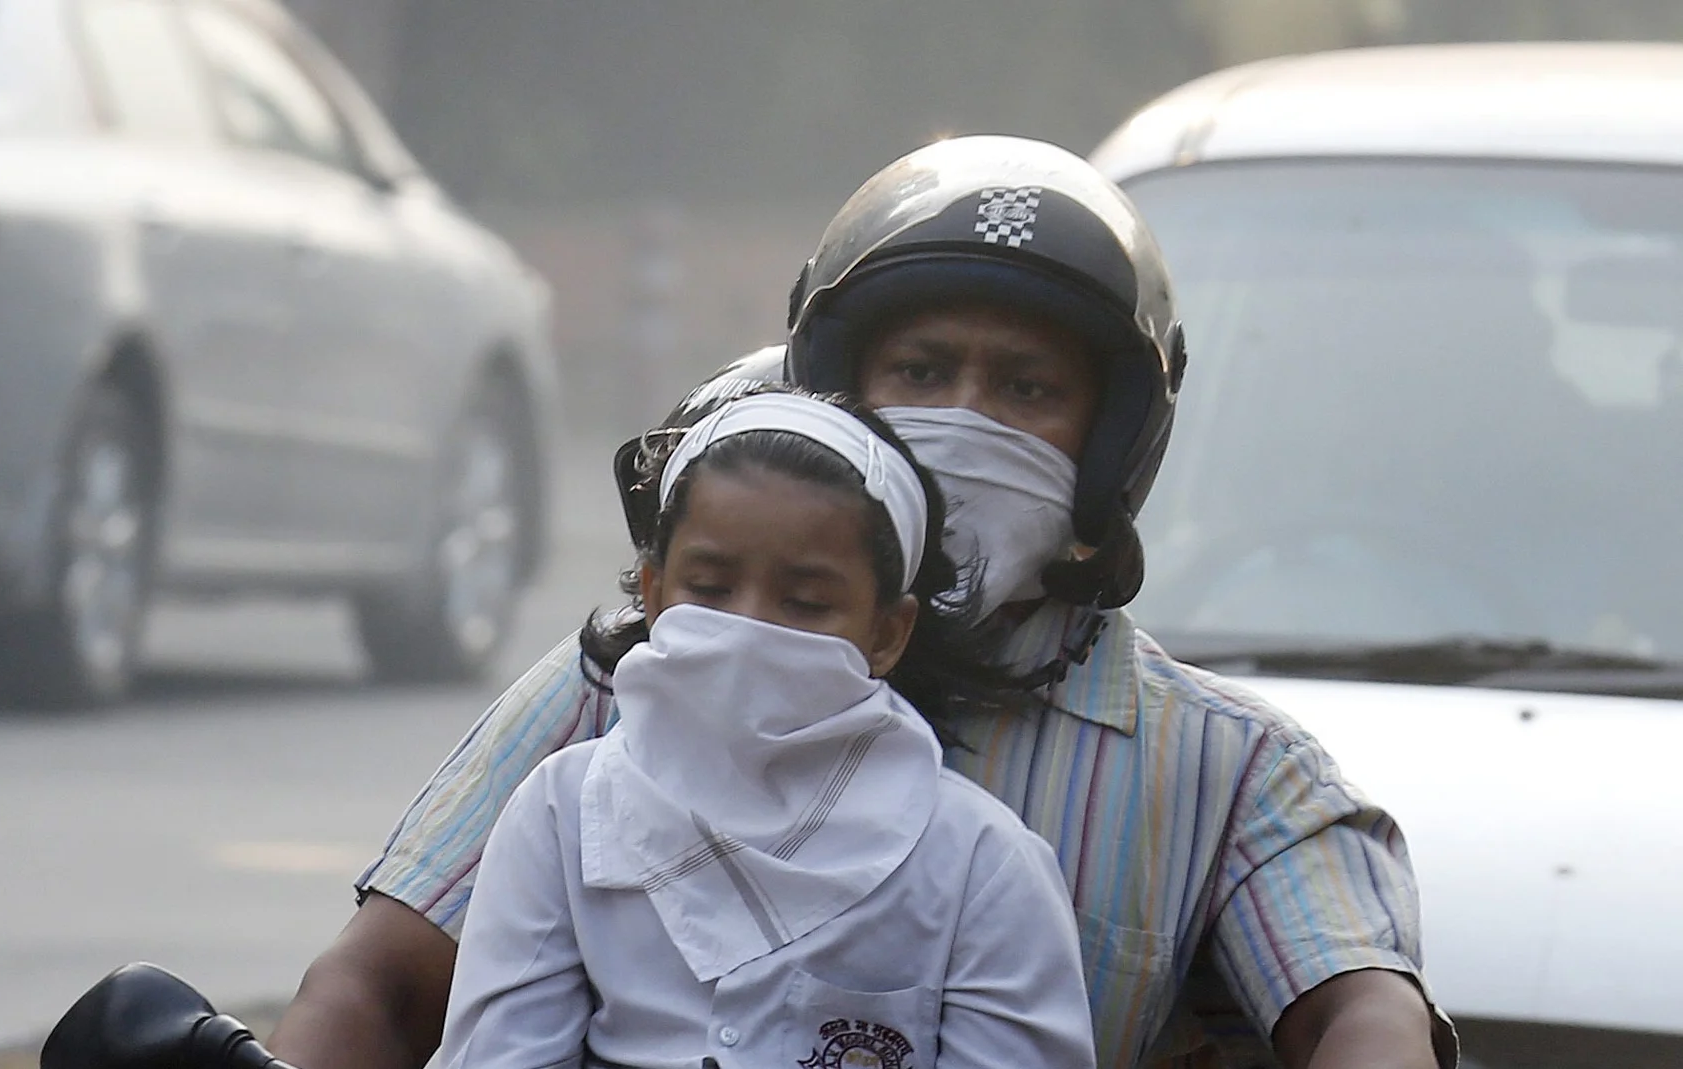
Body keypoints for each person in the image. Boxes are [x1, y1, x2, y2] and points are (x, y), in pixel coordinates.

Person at [269, 136, 1458, 1069]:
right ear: (838, 398)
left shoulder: (1228, 770)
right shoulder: (641, 670)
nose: (966, 417)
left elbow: (1362, 1015)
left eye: (1027, 386)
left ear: (1106, 447)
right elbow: (381, 982)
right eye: (923, 373)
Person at [434, 388, 1094, 1069]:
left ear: (887, 632)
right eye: (711, 589)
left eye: (806, 602)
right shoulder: (564, 813)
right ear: (655, 593)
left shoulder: (979, 864)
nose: (748, 626)